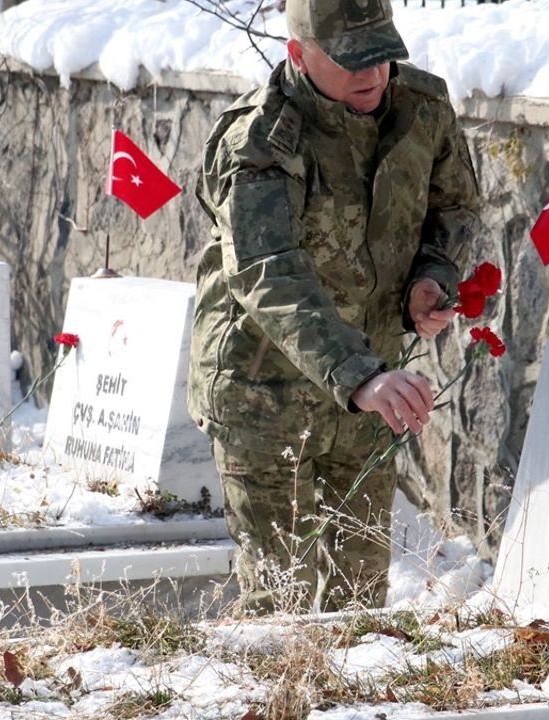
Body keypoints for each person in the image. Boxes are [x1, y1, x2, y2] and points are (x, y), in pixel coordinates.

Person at [188, 0, 480, 614]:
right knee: (278, 611)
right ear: (298, 55)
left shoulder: (421, 109)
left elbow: (453, 208)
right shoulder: (261, 140)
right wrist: (362, 375)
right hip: (263, 396)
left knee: (360, 602)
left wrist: (432, 277)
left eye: (382, 54)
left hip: (367, 396)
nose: (372, 73)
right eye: (351, 60)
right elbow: (269, 273)